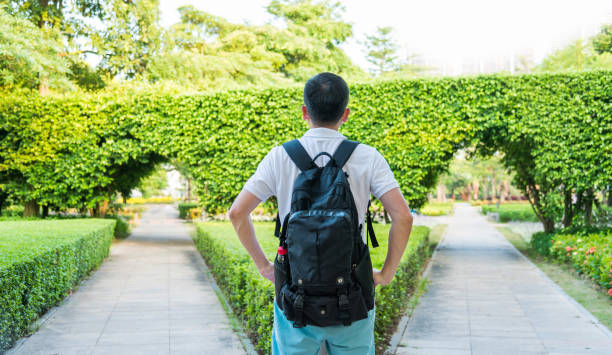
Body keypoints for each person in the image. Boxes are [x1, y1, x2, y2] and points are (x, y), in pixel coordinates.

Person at [228, 72, 413, 354]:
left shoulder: (280, 156)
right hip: (352, 295)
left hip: (294, 294)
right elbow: (403, 216)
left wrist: (264, 267)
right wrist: (387, 273)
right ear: (346, 114)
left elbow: (237, 213)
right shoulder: (367, 157)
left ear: (304, 112)